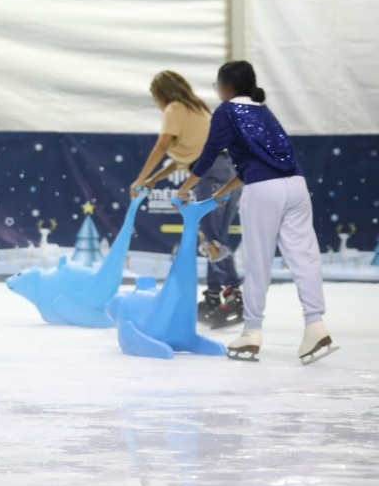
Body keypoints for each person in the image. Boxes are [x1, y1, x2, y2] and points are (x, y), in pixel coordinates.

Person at [176, 61, 336, 365]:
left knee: (258, 262)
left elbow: (209, 154)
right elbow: (261, 160)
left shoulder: (227, 110)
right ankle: (316, 325)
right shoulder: (263, 110)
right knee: (305, 257)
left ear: (226, 87)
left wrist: (184, 189)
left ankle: (251, 332)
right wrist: (223, 192)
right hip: (296, 185)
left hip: (264, 190)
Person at [130, 71, 243, 326]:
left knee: (212, 240)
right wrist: (154, 179)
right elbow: (184, 158)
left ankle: (234, 294)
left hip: (209, 174)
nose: (157, 106)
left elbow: (163, 145)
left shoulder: (174, 108)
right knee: (217, 238)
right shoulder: (197, 108)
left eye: (155, 99)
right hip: (229, 172)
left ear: (162, 94)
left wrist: (141, 178)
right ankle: (214, 295)